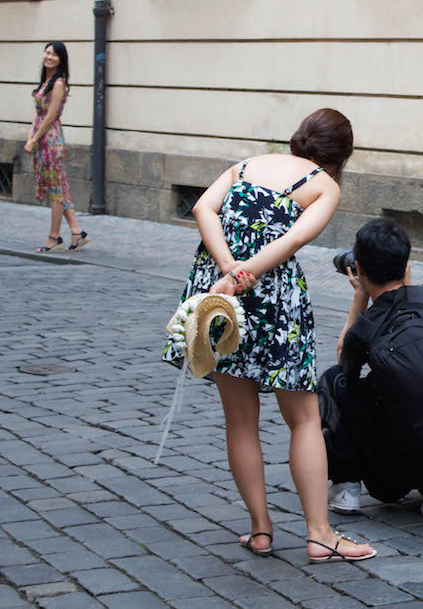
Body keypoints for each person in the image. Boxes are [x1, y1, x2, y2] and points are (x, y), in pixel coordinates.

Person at [162, 108, 376, 563]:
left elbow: (203, 207)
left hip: (222, 294)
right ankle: (320, 535)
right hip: (272, 297)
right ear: (344, 154)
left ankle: (261, 529)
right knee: (302, 418)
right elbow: (293, 241)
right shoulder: (324, 185)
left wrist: (227, 271)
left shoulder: (247, 165)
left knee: (239, 420)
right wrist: (246, 274)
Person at [318, 218, 423, 517]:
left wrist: (360, 297)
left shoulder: (365, 327)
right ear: (405, 263)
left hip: (393, 475)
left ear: (361, 270)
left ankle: (346, 488)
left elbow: (345, 366)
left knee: (332, 381)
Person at [25, 41, 89, 253]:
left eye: (54, 54)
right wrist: (30, 138)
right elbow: (38, 115)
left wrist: (35, 139)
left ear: (61, 59)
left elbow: (51, 116)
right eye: (47, 52)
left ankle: (53, 237)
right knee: (60, 187)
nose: (49, 56)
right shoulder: (46, 81)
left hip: (51, 140)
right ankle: (77, 231)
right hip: (42, 136)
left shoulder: (59, 83)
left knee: (55, 190)